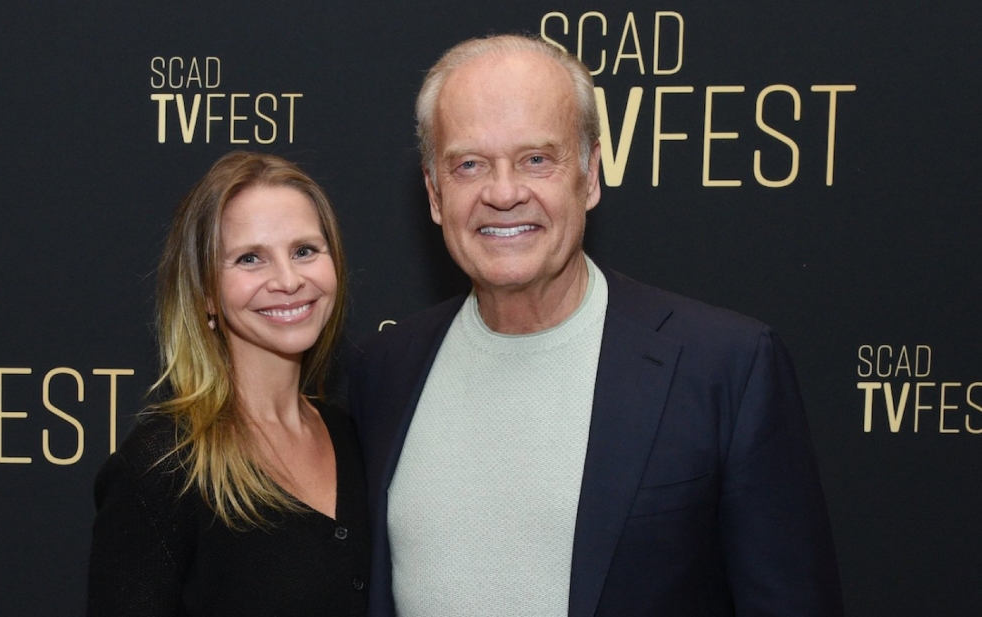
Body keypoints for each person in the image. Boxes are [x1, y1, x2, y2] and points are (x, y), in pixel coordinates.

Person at [347, 35, 843, 616]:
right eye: (470, 165)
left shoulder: (725, 368)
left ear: (589, 176)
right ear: (435, 194)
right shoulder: (384, 370)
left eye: (537, 159)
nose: (503, 193)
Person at [87, 151, 369, 617]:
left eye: (304, 250)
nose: (288, 280)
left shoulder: (356, 436)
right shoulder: (165, 466)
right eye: (250, 258)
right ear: (206, 294)